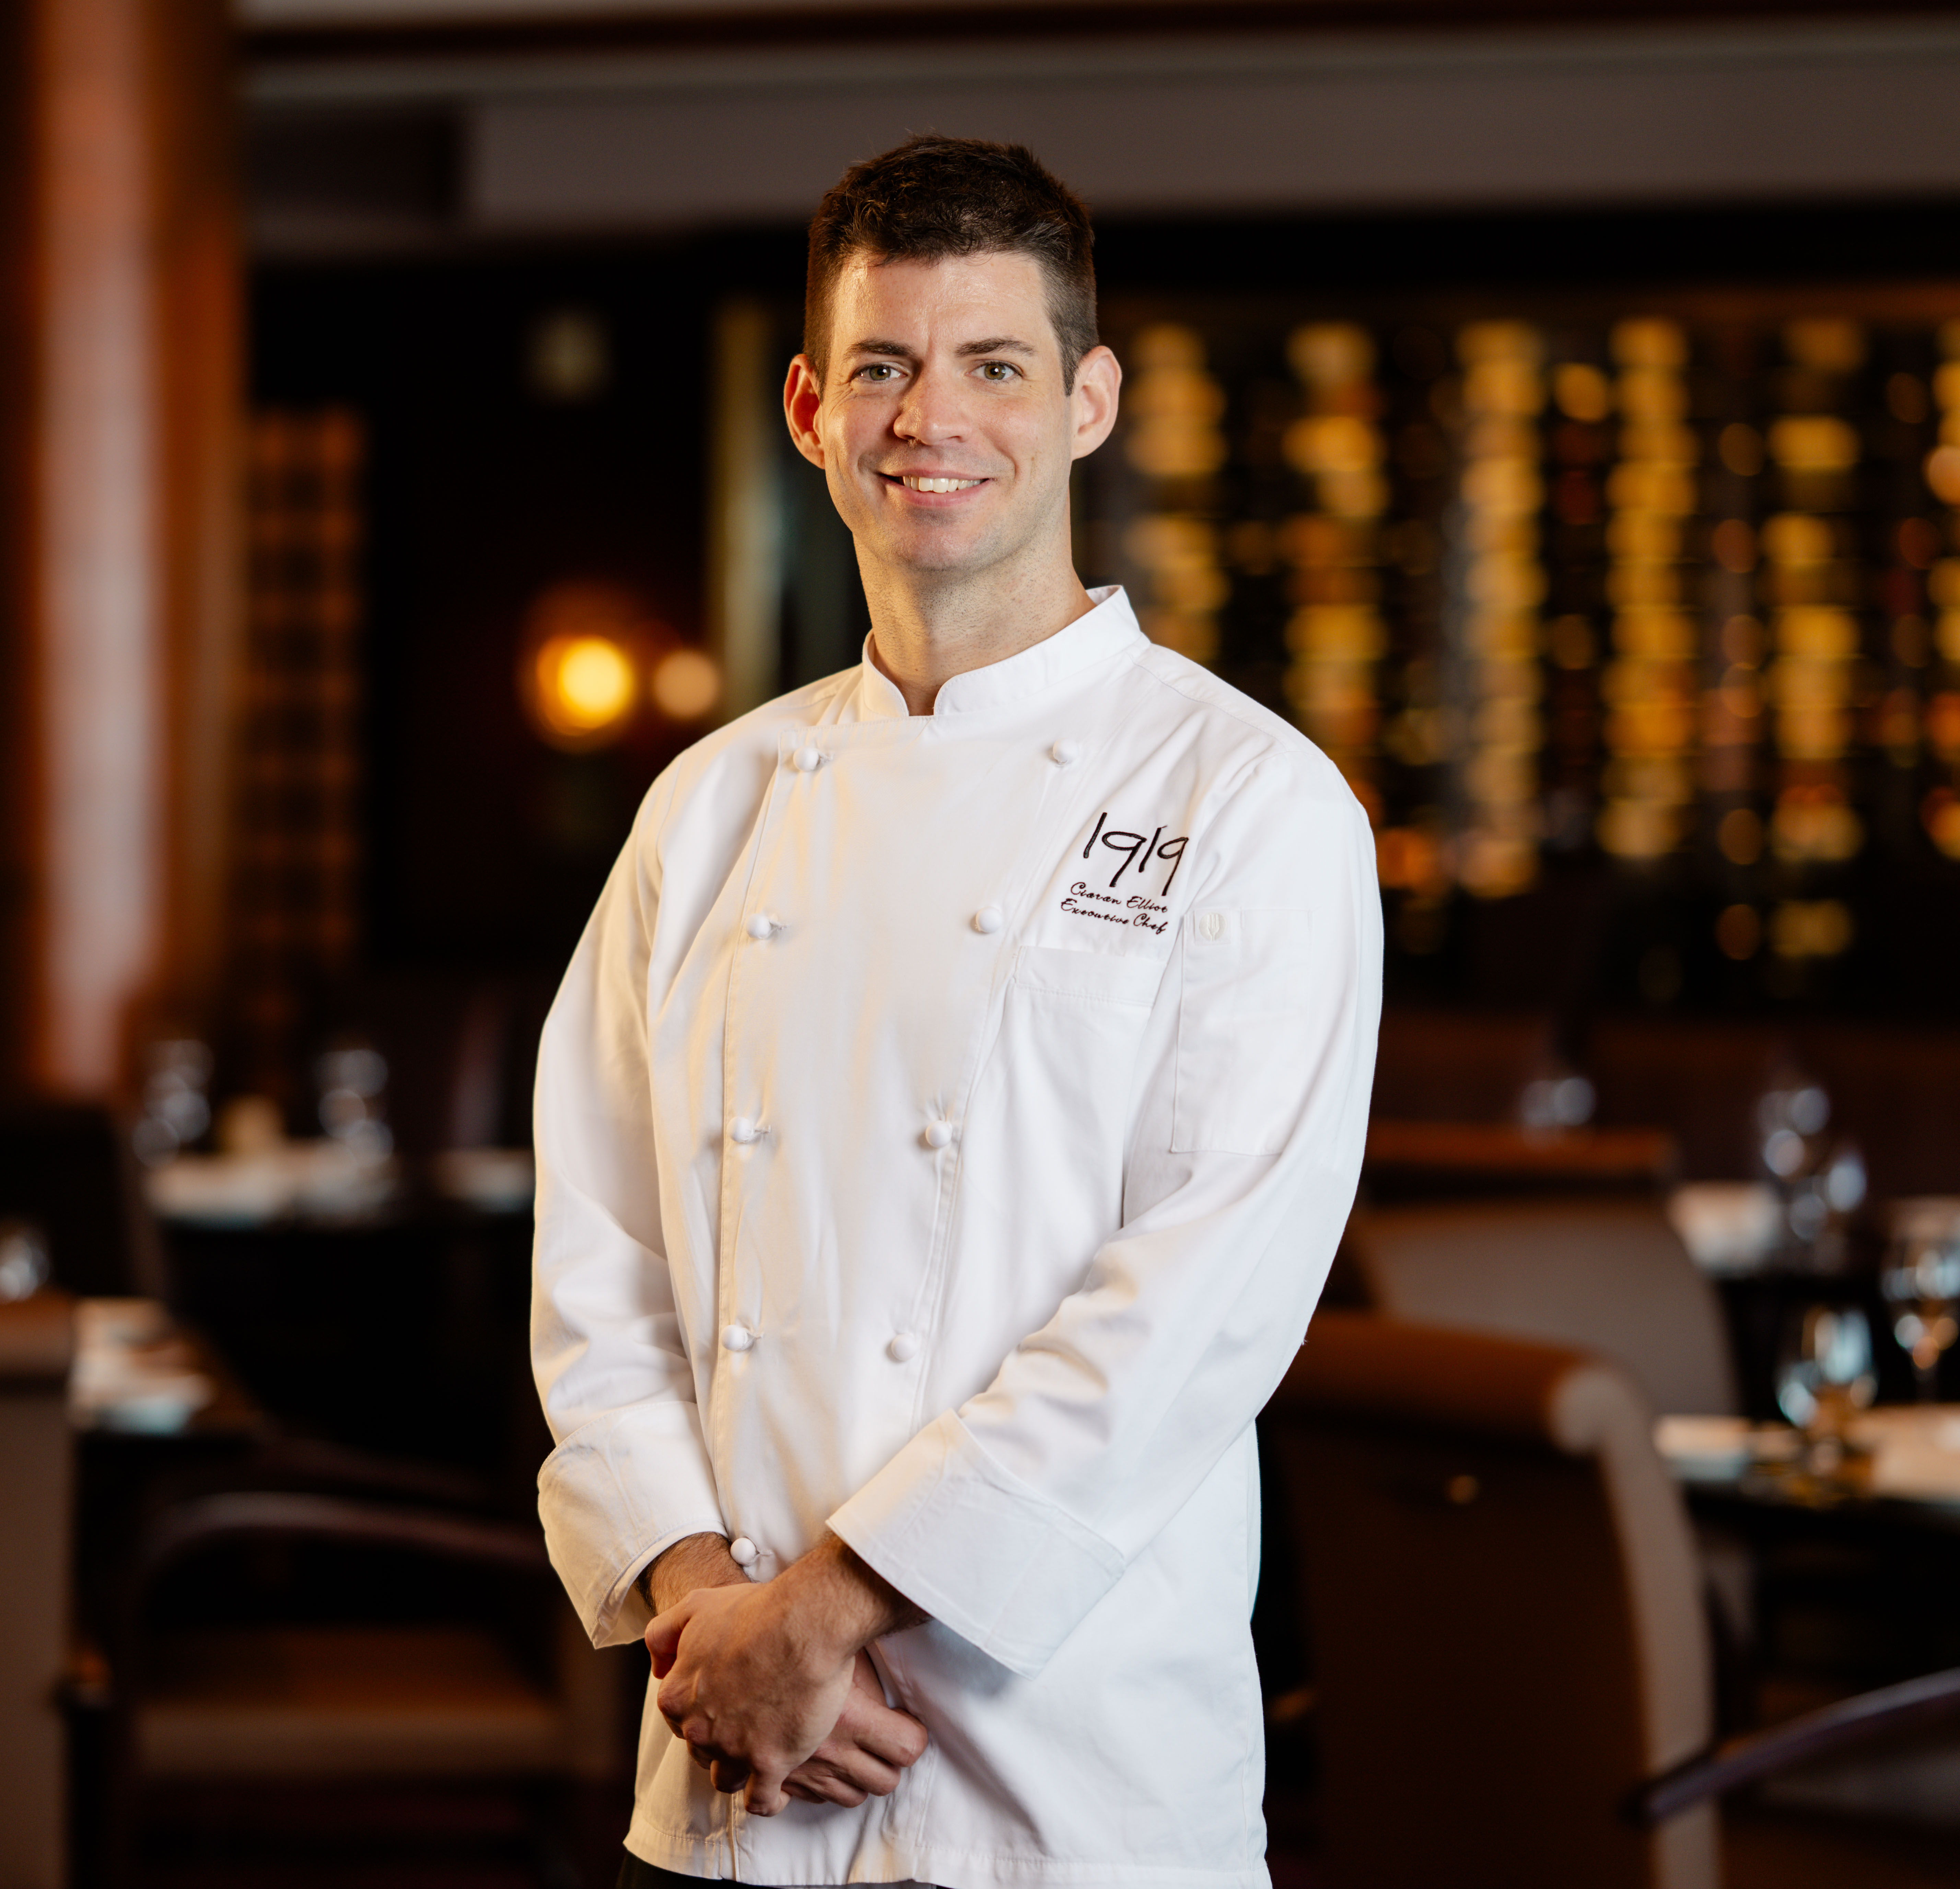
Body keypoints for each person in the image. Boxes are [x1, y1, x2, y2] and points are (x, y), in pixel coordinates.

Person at [529, 134, 1380, 1889]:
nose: (932, 418)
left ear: (1088, 400)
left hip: (1068, 1784)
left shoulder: (1248, 799)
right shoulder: (709, 804)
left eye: (994, 364)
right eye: (883, 368)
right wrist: (709, 1609)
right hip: (735, 1770)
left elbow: (1193, 1309)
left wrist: (823, 1613)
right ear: (809, 410)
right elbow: (599, 1258)